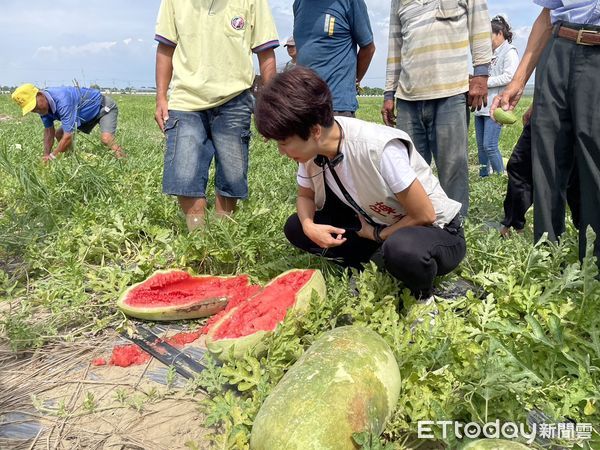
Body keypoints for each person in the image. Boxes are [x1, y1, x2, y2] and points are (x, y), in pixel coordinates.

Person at [254, 67, 466, 303]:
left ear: (314, 130)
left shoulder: (377, 148)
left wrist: (378, 234)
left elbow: (424, 214)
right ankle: (373, 261)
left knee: (402, 249)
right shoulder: (312, 152)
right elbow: (305, 196)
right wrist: (308, 226)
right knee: (295, 227)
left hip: (435, 230)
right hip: (376, 223)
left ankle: (424, 296)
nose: (281, 152)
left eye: (283, 143)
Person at [154, 0, 278, 231]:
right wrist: (161, 96)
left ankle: (223, 234)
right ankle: (198, 236)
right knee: (184, 173)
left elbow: (265, 52)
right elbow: (165, 48)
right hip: (186, 99)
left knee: (232, 175)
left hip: (235, 98)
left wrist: (268, 105)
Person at [491, 3, 600, 265]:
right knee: (547, 159)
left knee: (595, 162)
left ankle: (593, 266)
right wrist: (517, 82)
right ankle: (547, 257)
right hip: (558, 47)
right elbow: (547, 15)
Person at [382, 0, 493, 216]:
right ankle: (417, 225)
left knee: (453, 169)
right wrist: (389, 92)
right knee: (409, 170)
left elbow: (479, 25)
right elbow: (394, 44)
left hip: (450, 93)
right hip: (408, 97)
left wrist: (481, 75)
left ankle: (454, 230)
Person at [500, 106, 580, 237]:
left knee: (577, 172)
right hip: (548, 103)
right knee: (520, 165)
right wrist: (536, 103)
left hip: (582, 102)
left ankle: (588, 232)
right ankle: (513, 225)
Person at [293, 0, 375, 117]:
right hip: (304, 105)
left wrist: (352, 81)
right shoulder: (299, 3)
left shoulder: (350, 2)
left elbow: (368, 48)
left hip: (337, 106)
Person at [11, 84, 125, 162]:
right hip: (83, 116)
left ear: (40, 95)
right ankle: (73, 161)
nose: (36, 110)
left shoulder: (63, 100)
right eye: (31, 109)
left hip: (103, 108)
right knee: (58, 134)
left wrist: (52, 157)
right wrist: (46, 155)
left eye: (35, 106)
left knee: (106, 138)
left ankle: (123, 161)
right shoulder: (43, 108)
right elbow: (49, 132)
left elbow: (68, 136)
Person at [474, 16, 519, 177]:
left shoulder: (509, 52)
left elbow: (509, 77)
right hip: (481, 107)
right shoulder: (489, 54)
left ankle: (501, 176)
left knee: (490, 145)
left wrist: (483, 83)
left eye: (489, 36)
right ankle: (484, 176)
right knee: (481, 147)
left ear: (500, 33)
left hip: (496, 107)